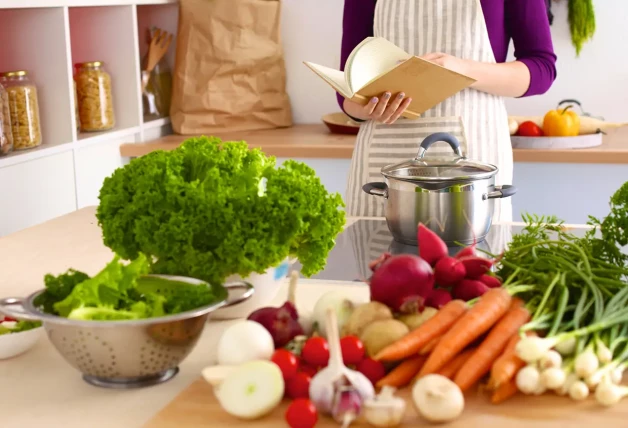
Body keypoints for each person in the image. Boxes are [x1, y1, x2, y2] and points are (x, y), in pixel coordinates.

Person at [339, 0, 557, 222]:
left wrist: (462, 69)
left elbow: (542, 69)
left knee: (471, 252)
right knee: (376, 253)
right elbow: (347, 89)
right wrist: (368, 107)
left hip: (473, 161)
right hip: (383, 161)